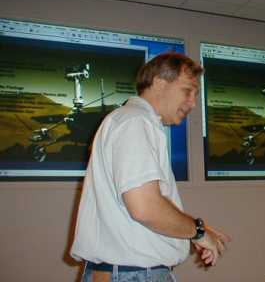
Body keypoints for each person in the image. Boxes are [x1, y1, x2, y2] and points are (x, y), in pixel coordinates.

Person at [70, 52, 230, 282]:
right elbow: (145, 207)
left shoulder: (129, 120)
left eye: (196, 95)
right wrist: (198, 232)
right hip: (133, 276)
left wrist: (191, 230)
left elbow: (146, 207)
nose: (194, 103)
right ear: (158, 84)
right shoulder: (136, 122)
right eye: (187, 91)